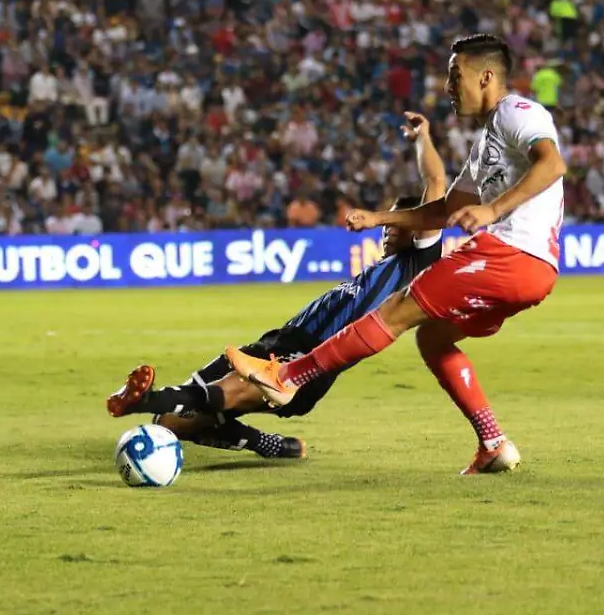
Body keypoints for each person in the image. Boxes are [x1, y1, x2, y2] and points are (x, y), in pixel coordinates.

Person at [224, 34, 568, 474]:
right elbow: (445, 210)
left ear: (486, 76)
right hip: (530, 270)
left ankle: (289, 378)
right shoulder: (485, 145)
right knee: (433, 338)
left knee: (397, 309)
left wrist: (493, 209)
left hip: (511, 252)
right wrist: (379, 219)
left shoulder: (517, 112)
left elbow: (552, 164)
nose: (447, 85)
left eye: (454, 74)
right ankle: (493, 443)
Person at [105, 113, 448, 457]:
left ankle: (140, 399)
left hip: (310, 359)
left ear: (416, 227)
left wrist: (423, 139)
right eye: (386, 223)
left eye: (396, 223)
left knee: (229, 392)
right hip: (276, 339)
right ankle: (268, 444)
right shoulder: (380, 270)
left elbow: (435, 185)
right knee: (168, 422)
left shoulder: (415, 266)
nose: (387, 230)